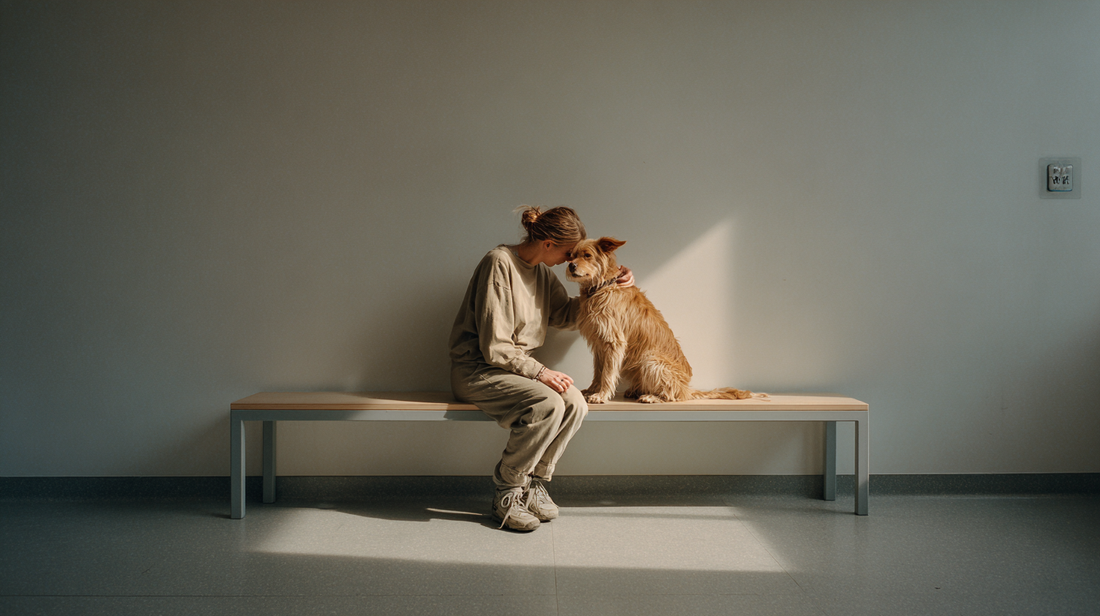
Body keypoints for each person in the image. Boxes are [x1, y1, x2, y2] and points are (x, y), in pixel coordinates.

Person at [448, 205, 633, 531]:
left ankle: (533, 482)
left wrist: (609, 285)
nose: (570, 260)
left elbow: (565, 314)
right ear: (548, 243)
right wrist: (540, 373)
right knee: (548, 403)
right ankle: (508, 490)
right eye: (567, 252)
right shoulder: (499, 264)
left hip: (515, 370)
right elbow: (496, 347)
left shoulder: (543, 274)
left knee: (575, 403)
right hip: (479, 370)